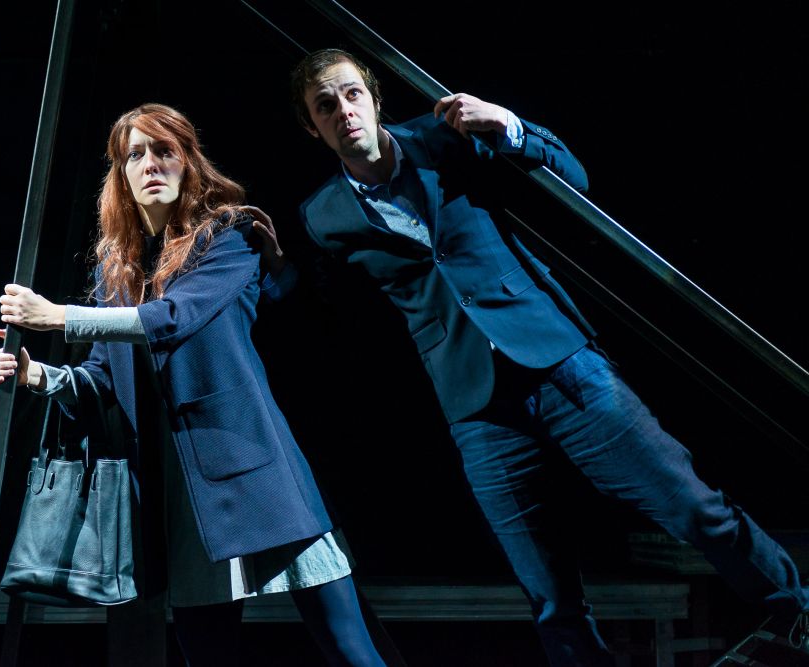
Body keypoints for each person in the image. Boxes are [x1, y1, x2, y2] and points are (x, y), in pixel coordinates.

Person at [287, 48, 809, 666]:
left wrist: (509, 126)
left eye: (351, 95)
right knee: (548, 593)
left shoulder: (443, 136)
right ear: (312, 127)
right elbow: (324, 304)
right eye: (325, 106)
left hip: (560, 361)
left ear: (374, 100)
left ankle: (796, 614)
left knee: (694, 507)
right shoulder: (322, 216)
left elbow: (573, 177)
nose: (343, 111)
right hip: (475, 404)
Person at [0, 103, 386, 667]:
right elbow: (102, 379)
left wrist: (60, 317)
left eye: (164, 151)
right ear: (121, 175)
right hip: (178, 493)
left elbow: (174, 318)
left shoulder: (231, 235)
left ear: (188, 161)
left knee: (349, 648)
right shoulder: (114, 269)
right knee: (206, 654)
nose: (150, 164)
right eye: (135, 155)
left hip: (251, 467)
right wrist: (36, 375)